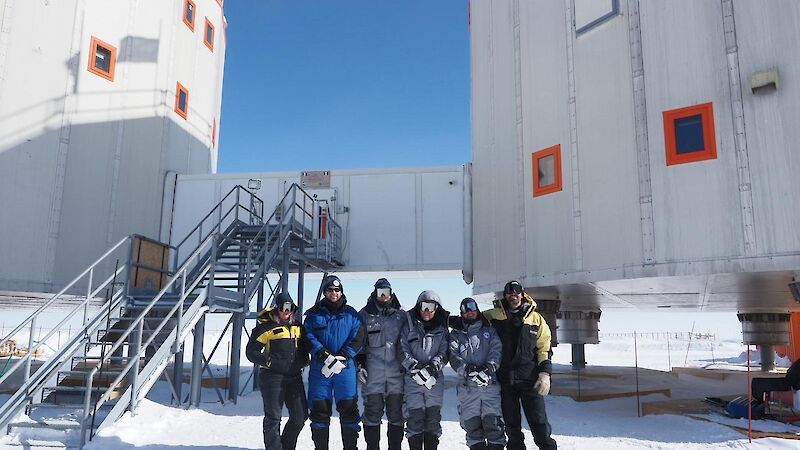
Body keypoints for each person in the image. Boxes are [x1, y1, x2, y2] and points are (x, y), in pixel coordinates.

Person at [484, 281, 557, 450]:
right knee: (511, 427)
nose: (513, 296)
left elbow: (544, 348)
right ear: (505, 296)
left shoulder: (536, 319)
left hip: (530, 381)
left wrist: (544, 373)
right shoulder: (493, 316)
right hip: (506, 381)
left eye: (516, 292)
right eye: (509, 293)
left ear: (522, 294)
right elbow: (470, 319)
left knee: (539, 424)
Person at [304, 275, 365, 450]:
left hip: (345, 370)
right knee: (319, 410)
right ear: (324, 292)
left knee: (348, 409)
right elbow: (308, 336)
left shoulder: (352, 315)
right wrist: (323, 355)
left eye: (337, 290)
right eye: (330, 290)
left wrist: (343, 356)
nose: (334, 293)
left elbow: (358, 338)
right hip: (320, 369)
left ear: (341, 292)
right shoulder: (313, 314)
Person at [245, 292, 309, 450]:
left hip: (294, 377)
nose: (287, 311)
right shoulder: (265, 328)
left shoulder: (298, 327)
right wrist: (269, 361)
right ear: (276, 308)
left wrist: (304, 360)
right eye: (283, 307)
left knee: (300, 416)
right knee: (274, 417)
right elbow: (251, 352)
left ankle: (286, 446)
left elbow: (306, 346)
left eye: (290, 308)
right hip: (272, 377)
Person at [448, 297, 506, 450]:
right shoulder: (456, 335)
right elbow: (453, 356)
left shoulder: (489, 331)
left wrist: (489, 369)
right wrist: (468, 370)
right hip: (468, 389)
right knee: (473, 429)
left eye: (472, 308)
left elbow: (496, 349)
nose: (470, 312)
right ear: (461, 314)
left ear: (477, 310)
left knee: (494, 426)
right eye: (466, 310)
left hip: (489, 386)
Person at [357, 278, 407, 450]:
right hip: (373, 375)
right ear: (375, 293)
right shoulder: (364, 315)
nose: (384, 296)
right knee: (372, 414)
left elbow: (409, 342)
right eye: (380, 292)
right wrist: (360, 364)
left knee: (397, 414)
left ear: (391, 293)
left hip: (396, 375)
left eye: (386, 292)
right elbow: (359, 344)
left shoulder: (401, 316)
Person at [399, 290, 450, 450]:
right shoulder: (409, 327)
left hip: (433, 381)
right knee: (414, 419)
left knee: (433, 420)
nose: (427, 311)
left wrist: (432, 367)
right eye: (424, 306)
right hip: (413, 380)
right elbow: (402, 349)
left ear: (437, 309)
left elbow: (444, 352)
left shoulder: (442, 330)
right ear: (418, 307)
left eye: (431, 307)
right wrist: (415, 367)